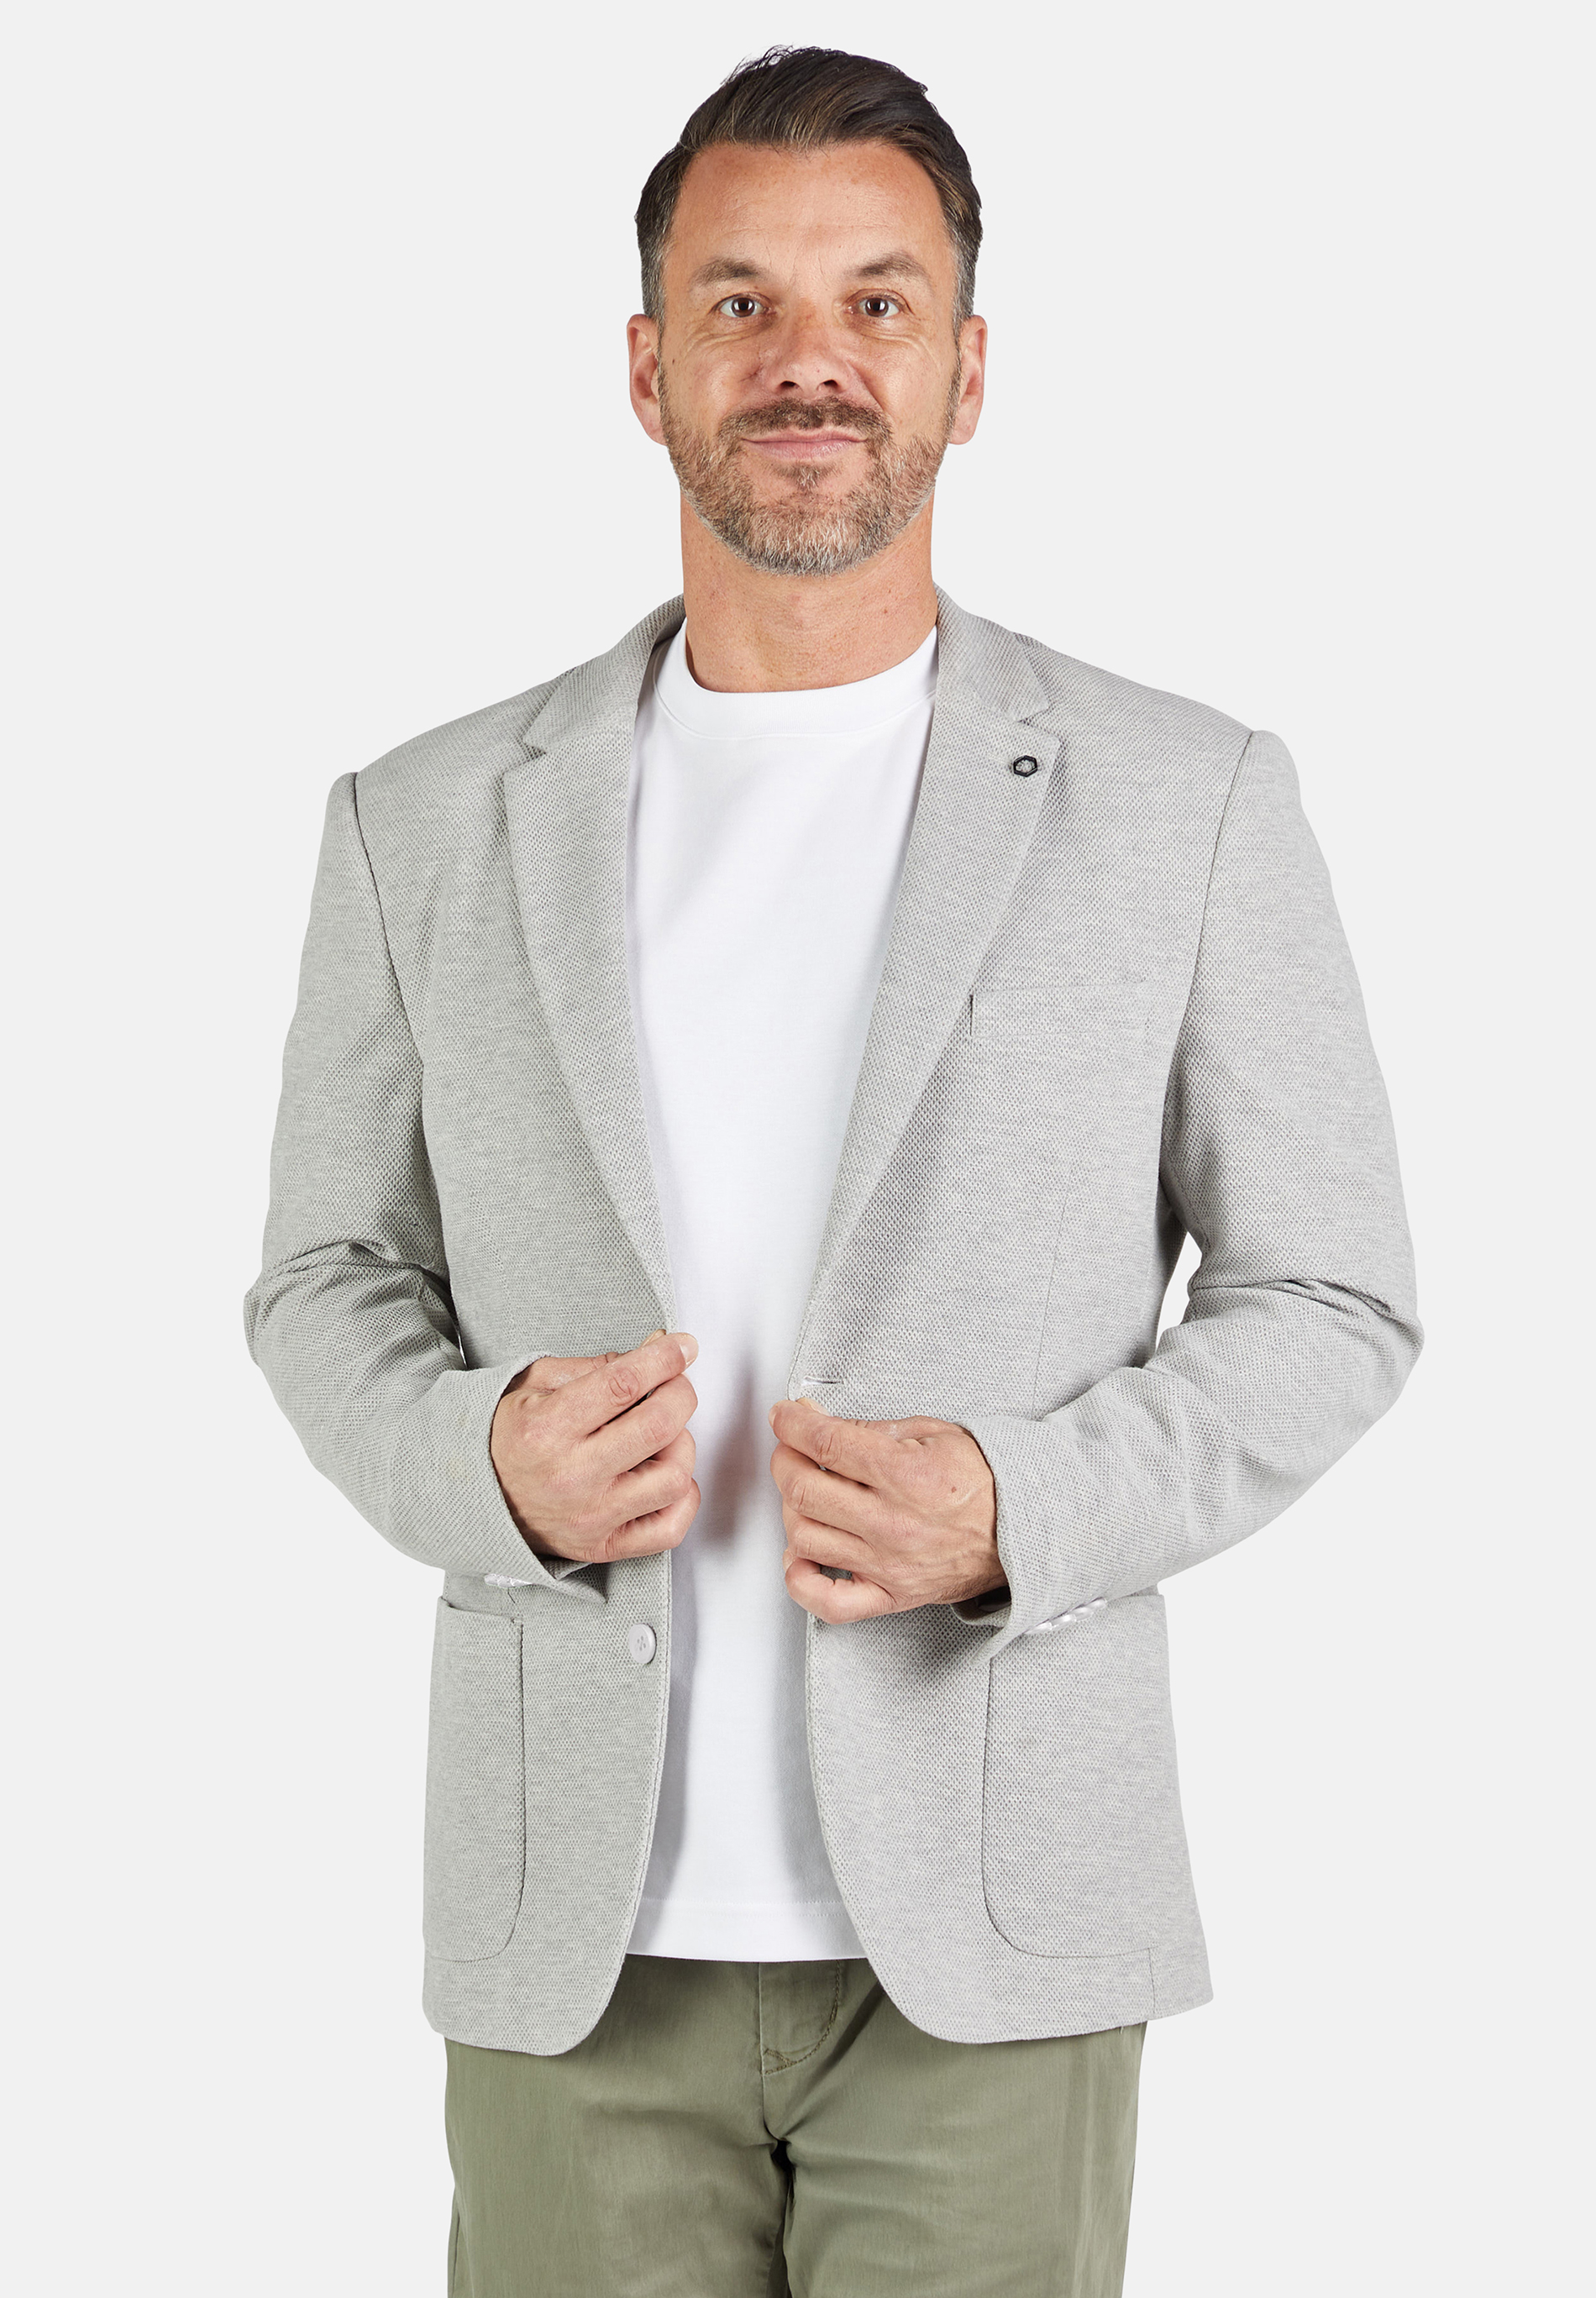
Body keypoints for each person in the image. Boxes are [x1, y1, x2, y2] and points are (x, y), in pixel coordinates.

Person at [244, 45, 1420, 2298]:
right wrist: (480, 1462)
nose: (809, 361)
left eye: (877, 304)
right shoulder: (421, 819)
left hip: (995, 1916)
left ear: (967, 371)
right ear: (646, 367)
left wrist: (1022, 1505)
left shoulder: (1185, 800)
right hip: (575, 1939)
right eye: (742, 303)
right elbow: (321, 1273)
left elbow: (1333, 1298)